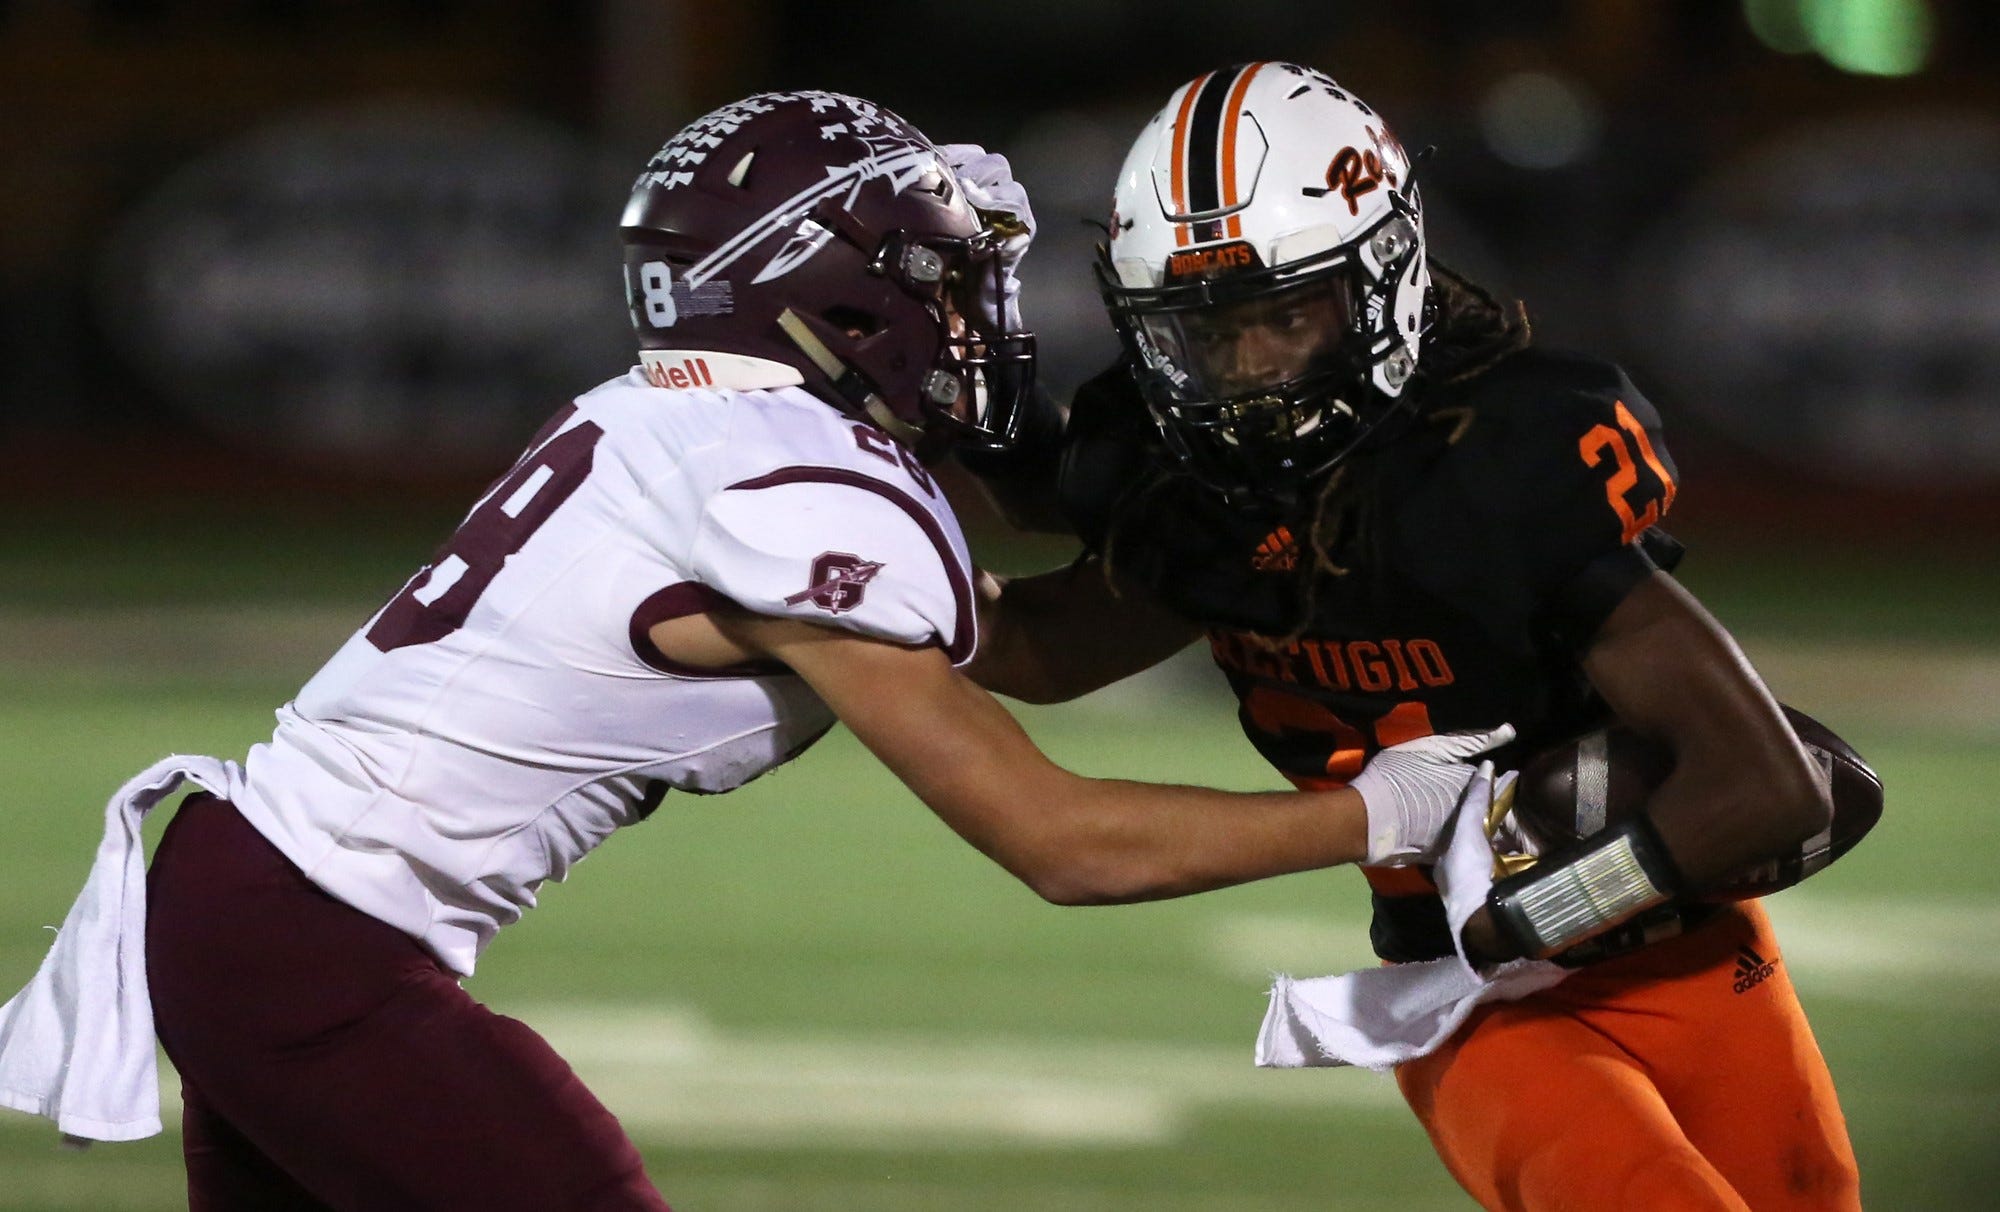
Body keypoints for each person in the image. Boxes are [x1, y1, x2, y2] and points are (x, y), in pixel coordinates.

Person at [0, 90, 1508, 1211]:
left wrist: (1262, 561)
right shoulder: (776, 484)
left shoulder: (706, 426)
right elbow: (1061, 841)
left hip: (254, 913)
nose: (972, 307)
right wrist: (1378, 809)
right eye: (934, 275)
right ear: (832, 291)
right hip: (308, 951)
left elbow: (1015, 646)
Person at [967, 63, 1862, 1211]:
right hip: (1466, 994)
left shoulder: (1493, 461)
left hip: (1677, 947)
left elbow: (1767, 785)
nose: (1246, 373)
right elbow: (1044, 651)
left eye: (1285, 316)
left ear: (1381, 275)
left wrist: (1535, 910)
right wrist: (857, 580)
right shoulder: (1188, 490)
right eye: (1207, 335)